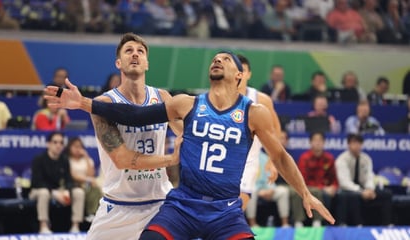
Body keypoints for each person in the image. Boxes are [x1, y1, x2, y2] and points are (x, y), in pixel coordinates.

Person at [45, 51, 335, 239]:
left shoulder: (253, 112)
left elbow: (280, 156)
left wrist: (305, 193)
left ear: (239, 76)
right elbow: (134, 115)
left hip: (226, 210)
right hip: (182, 205)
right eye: (215, 58)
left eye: (226, 59)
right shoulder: (186, 103)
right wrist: (83, 103)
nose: (217, 60)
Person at [68, 33, 182, 240]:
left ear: (147, 63)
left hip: (160, 205)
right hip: (118, 206)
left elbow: (185, 131)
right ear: (118, 63)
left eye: (140, 52)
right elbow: (122, 159)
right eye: (129, 51)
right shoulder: (104, 103)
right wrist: (171, 159)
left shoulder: (162, 97)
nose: (135, 55)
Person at [236, 54, 282, 211]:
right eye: (235, 71)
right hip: (222, 159)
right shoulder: (218, 97)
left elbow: (275, 130)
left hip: (249, 161)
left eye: (242, 71)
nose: (239, 75)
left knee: (236, 210)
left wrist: (273, 160)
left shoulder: (261, 99)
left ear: (249, 74)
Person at [29, 131, 85, 234]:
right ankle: (43, 226)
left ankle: (75, 226)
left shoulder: (64, 159)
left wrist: (68, 190)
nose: (58, 145)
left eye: (61, 143)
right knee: (44, 192)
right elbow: (36, 182)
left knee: (78, 192)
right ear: (48, 144)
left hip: (58, 190)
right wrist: (54, 192)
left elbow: (69, 179)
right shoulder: (39, 159)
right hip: (38, 191)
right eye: (55, 142)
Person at [335, 133, 393, 226]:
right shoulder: (341, 159)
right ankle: (358, 224)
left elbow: (369, 176)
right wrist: (361, 191)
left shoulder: (366, 159)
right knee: (351, 196)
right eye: (354, 142)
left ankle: (387, 224)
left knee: (386, 194)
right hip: (348, 189)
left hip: (364, 189)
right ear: (348, 144)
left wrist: (369, 189)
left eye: (359, 143)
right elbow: (344, 182)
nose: (356, 145)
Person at [291, 132, 338, 227]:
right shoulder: (304, 158)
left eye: (320, 140)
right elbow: (302, 179)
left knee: (340, 194)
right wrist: (322, 188)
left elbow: (334, 178)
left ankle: (320, 222)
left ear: (324, 143)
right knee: (301, 192)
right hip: (307, 186)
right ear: (310, 142)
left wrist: (334, 187)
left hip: (324, 188)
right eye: (315, 140)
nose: (318, 143)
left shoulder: (329, 158)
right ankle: (299, 222)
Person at [65, 137, 103, 222]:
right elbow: (72, 175)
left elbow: (91, 174)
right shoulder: (67, 160)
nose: (77, 149)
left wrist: (86, 156)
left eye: (80, 147)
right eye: (75, 146)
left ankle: (92, 214)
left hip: (87, 186)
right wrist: (88, 180)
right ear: (69, 147)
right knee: (86, 189)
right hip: (73, 185)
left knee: (96, 189)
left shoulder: (87, 160)